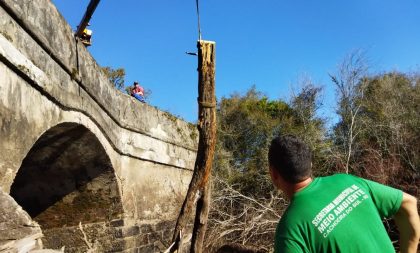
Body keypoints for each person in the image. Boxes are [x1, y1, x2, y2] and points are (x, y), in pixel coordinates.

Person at [268, 135, 420, 253]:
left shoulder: (290, 228)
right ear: (310, 164)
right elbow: (408, 202)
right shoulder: (347, 181)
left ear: (274, 173)